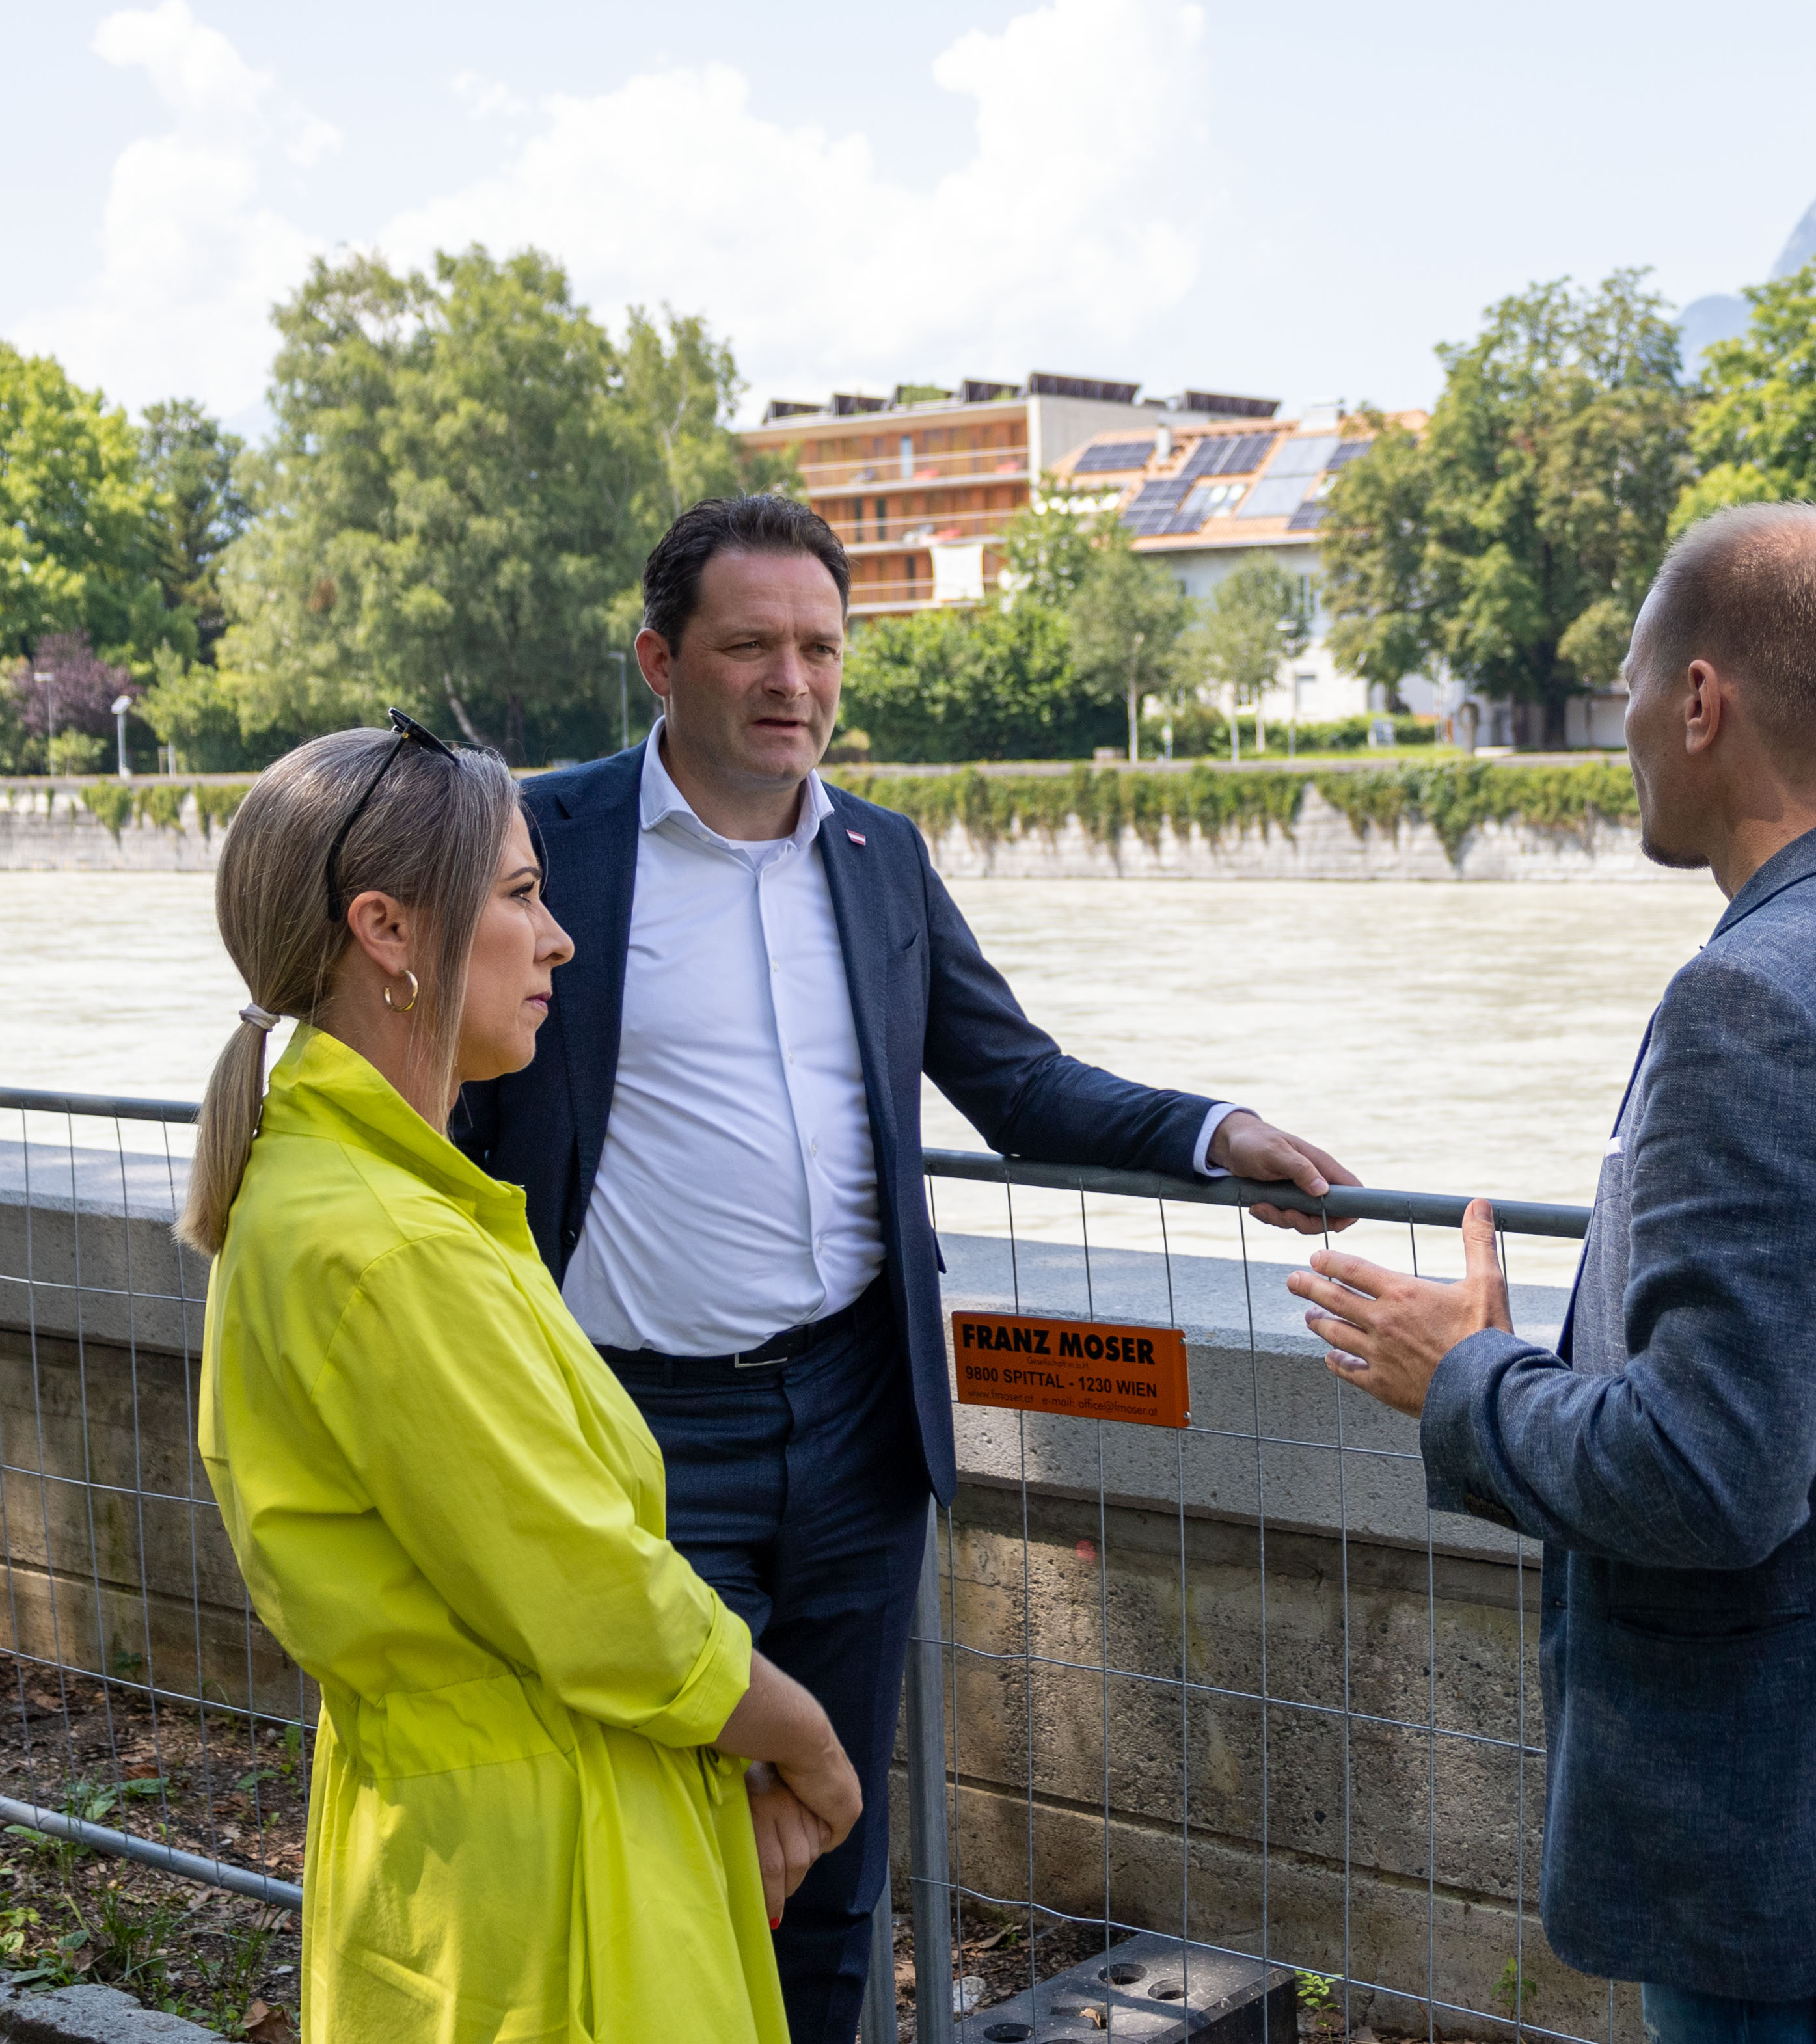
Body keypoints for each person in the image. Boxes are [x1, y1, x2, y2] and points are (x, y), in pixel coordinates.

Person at [452, 494, 1356, 2041]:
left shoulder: (879, 854)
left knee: (835, 1846)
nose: (791, 679)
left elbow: (1016, 1079)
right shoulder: (547, 845)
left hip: (860, 1429)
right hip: (634, 1435)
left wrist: (1214, 1132)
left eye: (819, 646)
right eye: (750, 644)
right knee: (664, 1842)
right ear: (660, 659)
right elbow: (436, 1078)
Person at [1287, 504, 1816, 2044]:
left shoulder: (1754, 998)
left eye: (1632, 690)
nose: (1628, 732)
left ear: (1702, 700)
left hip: (1785, 1815)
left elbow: (1710, 1476)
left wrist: (1464, 1376)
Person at [184, 716, 864, 2041]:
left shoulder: (335, 1194)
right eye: (517, 895)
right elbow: (591, 1591)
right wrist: (808, 1741)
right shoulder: (389, 1243)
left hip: (464, 1839)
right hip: (552, 1865)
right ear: (388, 931)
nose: (557, 939)